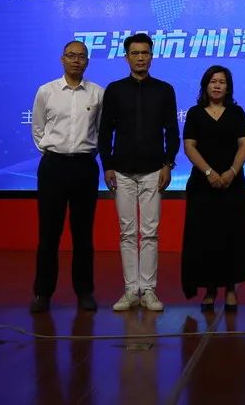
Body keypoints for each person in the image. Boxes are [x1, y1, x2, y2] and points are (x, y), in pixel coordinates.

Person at [99, 33, 180, 312]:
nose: (140, 58)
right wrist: (107, 165)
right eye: (135, 53)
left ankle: (148, 290)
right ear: (126, 57)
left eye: (145, 53)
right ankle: (130, 290)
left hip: (154, 171)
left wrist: (168, 164)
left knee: (150, 232)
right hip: (121, 171)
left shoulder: (165, 90)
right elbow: (104, 131)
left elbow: (172, 131)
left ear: (152, 56)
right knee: (127, 232)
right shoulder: (114, 89)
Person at [29, 40, 105, 313]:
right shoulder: (46, 91)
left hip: (85, 167)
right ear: (62, 59)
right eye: (71, 56)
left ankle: (84, 291)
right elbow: (38, 129)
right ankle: (43, 293)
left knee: (83, 234)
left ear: (87, 61)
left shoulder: (97, 93)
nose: (76, 60)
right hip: (53, 167)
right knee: (49, 234)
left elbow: (101, 132)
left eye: (81, 56)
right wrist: (53, 151)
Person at [181, 65, 245, 310]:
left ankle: (231, 288)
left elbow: (244, 145)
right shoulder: (194, 113)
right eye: (213, 81)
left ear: (228, 87)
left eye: (222, 82)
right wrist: (209, 172)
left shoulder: (236, 112)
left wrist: (232, 171)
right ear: (205, 85)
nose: (217, 85)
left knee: (232, 236)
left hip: (233, 183)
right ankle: (210, 289)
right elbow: (189, 146)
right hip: (203, 184)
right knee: (206, 237)